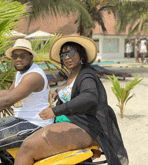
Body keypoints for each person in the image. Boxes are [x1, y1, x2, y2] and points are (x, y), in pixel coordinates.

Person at [14, 36, 129, 165]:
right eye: (63, 55)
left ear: (81, 54)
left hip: (85, 127)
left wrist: (55, 110)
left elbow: (89, 96)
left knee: (27, 147)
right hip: (68, 123)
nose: (67, 58)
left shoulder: (86, 74)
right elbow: (72, 91)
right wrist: (57, 92)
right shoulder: (72, 75)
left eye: (70, 53)